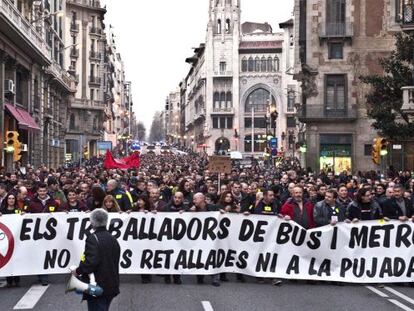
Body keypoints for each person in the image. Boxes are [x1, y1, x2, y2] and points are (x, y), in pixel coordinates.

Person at [73, 209, 120, 311]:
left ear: (92, 222)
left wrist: (77, 271)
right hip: (112, 284)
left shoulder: (92, 238)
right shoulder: (113, 239)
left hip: (97, 285)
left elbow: (90, 262)